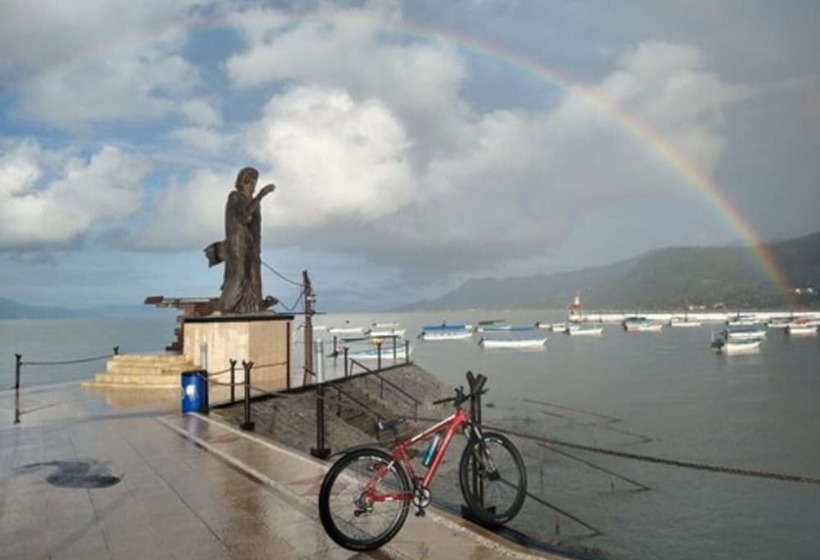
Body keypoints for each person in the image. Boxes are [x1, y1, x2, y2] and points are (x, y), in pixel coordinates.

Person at [205, 166, 276, 314]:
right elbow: (244, 217)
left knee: (254, 276)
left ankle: (254, 306)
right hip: (238, 244)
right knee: (239, 275)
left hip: (252, 246)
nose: (253, 186)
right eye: (250, 182)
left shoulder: (254, 203)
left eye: (254, 182)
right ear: (243, 182)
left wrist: (257, 247)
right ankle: (225, 307)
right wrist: (261, 195)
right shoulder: (235, 197)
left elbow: (256, 228)